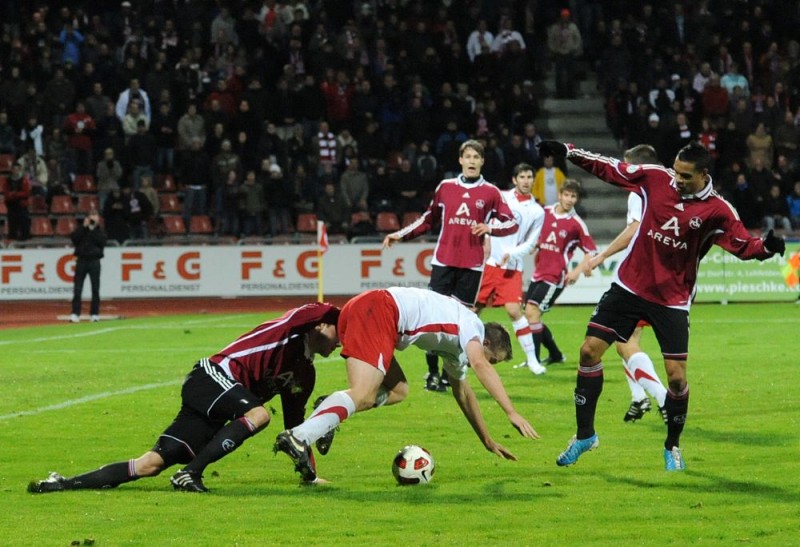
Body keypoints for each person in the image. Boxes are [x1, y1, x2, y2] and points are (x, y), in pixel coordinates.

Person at [538, 140, 785, 471]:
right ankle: (585, 435)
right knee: (588, 352)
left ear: (703, 175)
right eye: (676, 171)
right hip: (629, 285)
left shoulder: (718, 210)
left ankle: (672, 446)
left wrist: (766, 247)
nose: (677, 179)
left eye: (685, 176)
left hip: (672, 299)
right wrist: (569, 151)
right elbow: (611, 168)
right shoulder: (656, 178)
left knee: (677, 378)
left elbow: (743, 245)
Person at [29, 302, 341, 494]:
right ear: (322, 325)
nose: (341, 343)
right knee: (260, 415)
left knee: (150, 465)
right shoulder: (290, 327)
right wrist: (350, 314)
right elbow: (314, 311)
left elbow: (296, 432)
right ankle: (189, 474)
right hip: (210, 377)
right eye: (341, 332)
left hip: (217, 403)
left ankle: (62, 483)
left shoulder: (306, 375)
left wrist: (309, 476)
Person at [274, 287, 539, 483]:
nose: (484, 362)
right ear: (487, 343)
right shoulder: (472, 325)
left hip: (373, 311)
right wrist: (511, 412)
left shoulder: (458, 350)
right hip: (380, 309)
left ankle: (327, 410)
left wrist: (487, 440)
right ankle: (300, 436)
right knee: (362, 392)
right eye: (493, 358)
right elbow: (481, 365)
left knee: (398, 390)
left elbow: (464, 393)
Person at [382, 140, 518, 391]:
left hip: (472, 266)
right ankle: (432, 374)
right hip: (444, 261)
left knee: (459, 324)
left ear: (482, 161)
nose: (472, 161)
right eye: (468, 156)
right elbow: (427, 219)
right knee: (432, 317)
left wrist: (490, 227)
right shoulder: (446, 187)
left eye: (476, 157)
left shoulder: (491, 192)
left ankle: (449, 375)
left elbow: (511, 223)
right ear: (460, 160)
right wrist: (401, 234)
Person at [586, 145, 668, 423]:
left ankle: (662, 398)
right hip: (666, 276)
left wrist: (601, 256)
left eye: (626, 165)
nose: (622, 170)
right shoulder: (670, 187)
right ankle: (638, 397)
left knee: (622, 342)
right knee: (623, 337)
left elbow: (634, 228)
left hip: (642, 276)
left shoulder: (640, 189)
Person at [476, 163, 546, 375]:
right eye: (522, 176)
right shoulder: (501, 197)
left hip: (512, 266)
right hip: (489, 264)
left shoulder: (537, 211)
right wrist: (486, 240)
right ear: (514, 180)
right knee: (473, 310)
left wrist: (513, 254)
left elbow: (532, 241)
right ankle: (464, 354)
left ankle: (532, 360)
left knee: (514, 310)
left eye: (529, 177)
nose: (526, 180)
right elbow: (486, 219)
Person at [524, 179, 596, 367]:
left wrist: (577, 271)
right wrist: (536, 244)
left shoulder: (576, 223)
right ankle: (555, 354)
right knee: (531, 314)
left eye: (573, 196)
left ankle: (534, 360)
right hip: (539, 271)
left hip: (555, 276)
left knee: (532, 312)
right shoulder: (545, 212)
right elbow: (538, 232)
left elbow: (591, 251)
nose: (570, 199)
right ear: (559, 195)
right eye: (567, 195)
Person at [69, 207, 107, 323]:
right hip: (82, 261)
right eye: (91, 215)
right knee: (77, 288)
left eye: (95, 215)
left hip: (94, 261)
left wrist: (93, 229)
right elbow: (74, 238)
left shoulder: (100, 231)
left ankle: (94, 314)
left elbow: (102, 242)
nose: (93, 217)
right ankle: (75, 313)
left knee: (95, 289)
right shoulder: (82, 229)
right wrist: (84, 227)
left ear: (98, 218)